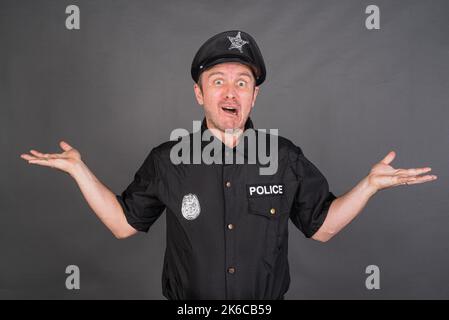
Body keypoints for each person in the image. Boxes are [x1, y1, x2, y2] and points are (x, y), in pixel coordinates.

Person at [20, 30, 437, 300]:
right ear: (199, 94)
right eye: (218, 80)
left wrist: (368, 186)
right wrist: (79, 170)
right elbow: (122, 223)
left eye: (243, 82)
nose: (231, 90)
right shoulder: (167, 161)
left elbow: (322, 228)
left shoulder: (285, 157)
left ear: (254, 96)